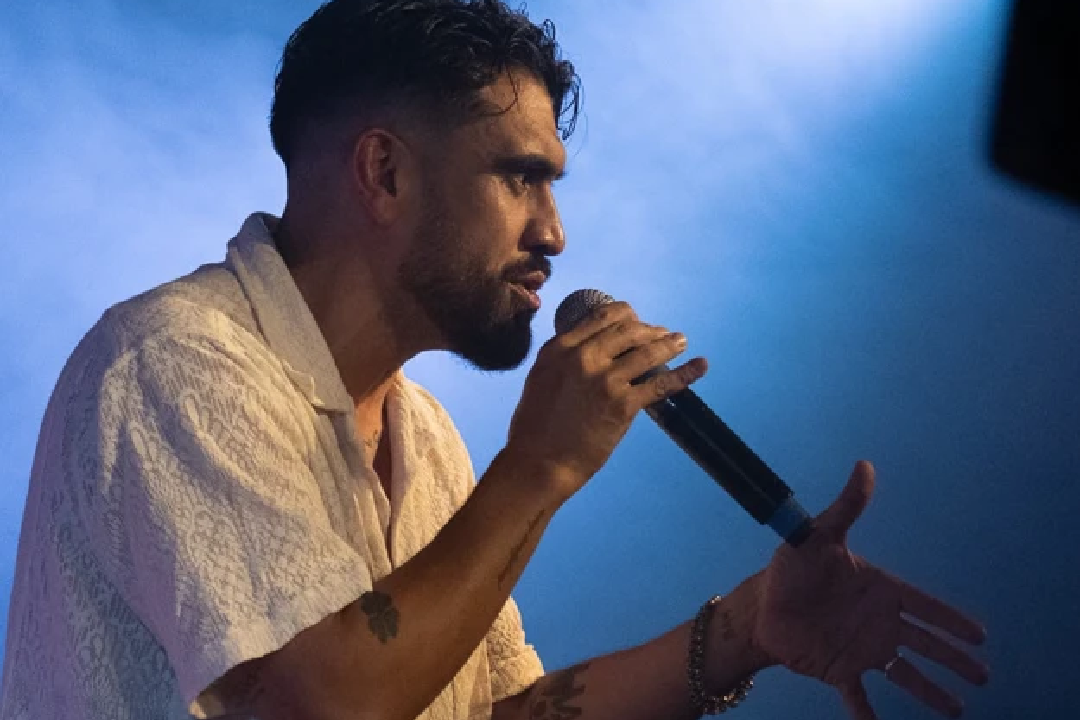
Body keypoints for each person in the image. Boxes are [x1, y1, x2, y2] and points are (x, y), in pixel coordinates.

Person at [0, 1, 990, 719]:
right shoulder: (175, 365)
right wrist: (540, 471)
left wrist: (745, 631)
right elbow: (323, 708)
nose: (554, 233)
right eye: (520, 178)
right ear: (383, 172)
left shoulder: (424, 439)